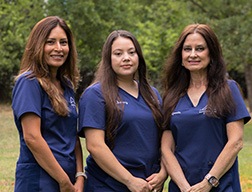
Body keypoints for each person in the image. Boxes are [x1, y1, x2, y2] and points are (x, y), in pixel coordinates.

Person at [161, 23, 251, 192]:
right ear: (180, 55)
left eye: (200, 48)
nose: (193, 54)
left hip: (221, 185)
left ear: (211, 53)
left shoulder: (228, 89)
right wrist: (184, 187)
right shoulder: (171, 96)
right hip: (182, 186)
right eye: (187, 49)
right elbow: (166, 148)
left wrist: (208, 182)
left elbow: (236, 142)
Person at [78, 30, 167, 192]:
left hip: (148, 185)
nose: (126, 58)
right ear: (108, 59)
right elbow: (95, 145)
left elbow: (164, 140)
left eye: (131, 52)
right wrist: (130, 181)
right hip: (108, 185)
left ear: (138, 56)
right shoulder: (95, 95)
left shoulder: (152, 94)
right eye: (118, 53)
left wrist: (162, 173)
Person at [12, 16, 85, 192]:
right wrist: (63, 181)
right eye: (50, 42)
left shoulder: (66, 85)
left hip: (68, 180)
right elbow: (32, 137)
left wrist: (80, 175)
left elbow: (72, 136)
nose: (58, 48)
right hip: (39, 179)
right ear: (38, 45)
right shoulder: (29, 83)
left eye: (63, 42)